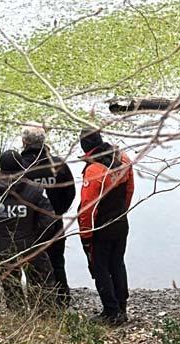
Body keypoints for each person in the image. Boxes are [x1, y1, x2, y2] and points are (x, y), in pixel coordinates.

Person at [0, 150, 57, 311]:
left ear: (0, 167)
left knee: (11, 288)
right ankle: (44, 317)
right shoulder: (34, 190)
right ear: (21, 165)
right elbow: (49, 220)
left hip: (2, 248)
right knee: (41, 284)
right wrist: (38, 238)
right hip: (31, 246)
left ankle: (19, 315)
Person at [78, 128, 134, 326]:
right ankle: (121, 306)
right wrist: (122, 212)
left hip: (101, 228)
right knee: (118, 263)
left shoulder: (94, 170)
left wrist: (85, 236)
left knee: (100, 268)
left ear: (84, 146)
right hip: (120, 221)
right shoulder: (123, 159)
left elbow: (87, 208)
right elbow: (129, 190)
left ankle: (111, 312)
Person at [20, 123, 76, 307]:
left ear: (24, 142)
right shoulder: (58, 164)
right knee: (57, 260)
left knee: (33, 263)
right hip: (55, 221)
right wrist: (58, 211)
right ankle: (62, 297)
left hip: (28, 225)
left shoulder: (20, 166)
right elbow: (70, 192)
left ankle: (39, 302)